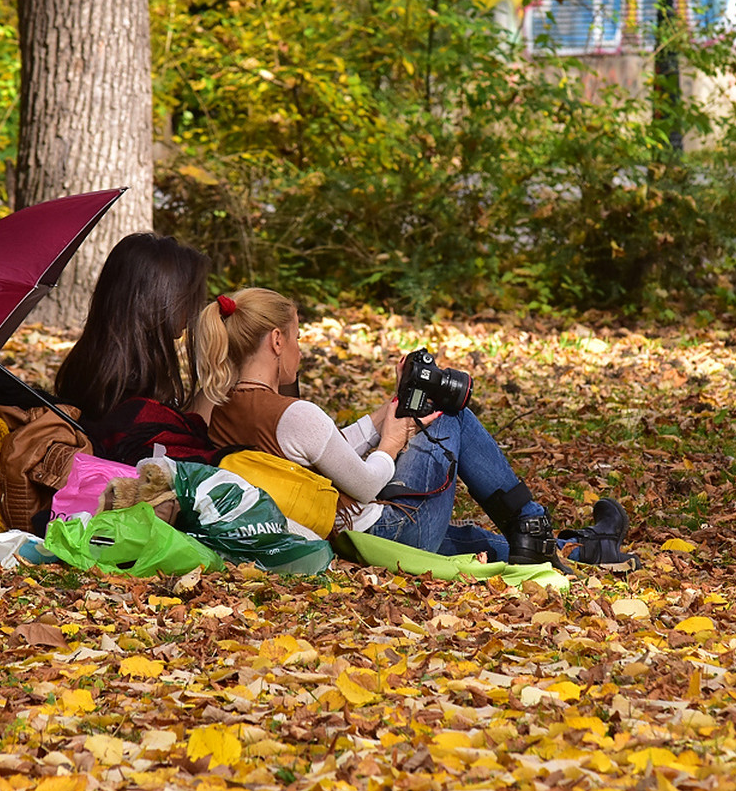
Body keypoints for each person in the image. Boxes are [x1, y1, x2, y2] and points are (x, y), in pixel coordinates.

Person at [191, 288, 634, 569]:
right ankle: (531, 523)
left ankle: (581, 549)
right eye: (299, 337)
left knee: (477, 542)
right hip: (384, 534)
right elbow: (363, 484)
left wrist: (387, 414)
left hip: (340, 535)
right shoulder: (294, 412)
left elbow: (316, 454)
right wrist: (390, 441)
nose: (300, 351)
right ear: (276, 340)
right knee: (451, 415)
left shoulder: (220, 410)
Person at [54, 232, 219, 466]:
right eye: (188, 298)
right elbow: (181, 454)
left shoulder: (98, 366)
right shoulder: (132, 396)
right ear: (158, 299)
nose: (194, 309)